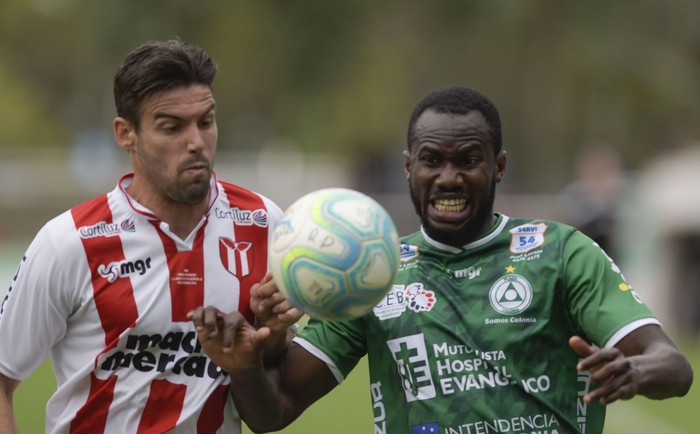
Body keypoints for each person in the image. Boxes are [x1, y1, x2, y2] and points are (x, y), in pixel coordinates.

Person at [189, 85, 694, 434]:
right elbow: (275, 412)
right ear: (410, 168)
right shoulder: (370, 274)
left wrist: (634, 371)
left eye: (468, 160)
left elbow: (672, 366)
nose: (448, 178)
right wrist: (247, 365)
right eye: (432, 160)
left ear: (498, 167)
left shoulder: (560, 252)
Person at [0, 39, 295, 434]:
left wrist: (273, 333)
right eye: (171, 127)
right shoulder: (70, 241)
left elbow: (269, 380)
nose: (196, 143)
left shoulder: (263, 223)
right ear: (126, 134)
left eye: (205, 122)